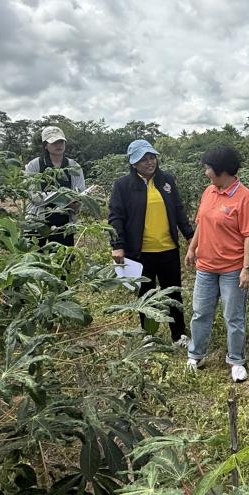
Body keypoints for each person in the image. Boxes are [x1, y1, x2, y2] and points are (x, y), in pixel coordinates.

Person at [184, 145, 249, 383]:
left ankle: (236, 361)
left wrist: (247, 269)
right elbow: (201, 223)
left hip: (232, 269)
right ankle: (196, 355)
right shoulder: (209, 192)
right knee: (200, 313)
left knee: (234, 317)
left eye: (208, 168)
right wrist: (192, 248)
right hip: (206, 267)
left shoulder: (245, 198)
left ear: (222, 170)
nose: (206, 172)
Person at [108, 139, 194, 345]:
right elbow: (115, 217)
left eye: (151, 157)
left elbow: (179, 210)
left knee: (173, 292)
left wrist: (191, 236)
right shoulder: (123, 186)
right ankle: (149, 334)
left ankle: (178, 334)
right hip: (140, 252)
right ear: (133, 163)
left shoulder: (166, 181)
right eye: (143, 159)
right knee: (147, 295)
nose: (149, 162)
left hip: (168, 248)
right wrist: (117, 245)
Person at [25, 125, 86, 248]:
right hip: (38, 221)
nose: (58, 145)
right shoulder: (34, 165)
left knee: (63, 260)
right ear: (45, 145)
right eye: (54, 142)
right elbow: (35, 196)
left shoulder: (73, 166)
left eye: (61, 141)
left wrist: (78, 203)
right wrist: (64, 198)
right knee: (35, 258)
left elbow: (80, 192)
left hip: (64, 222)